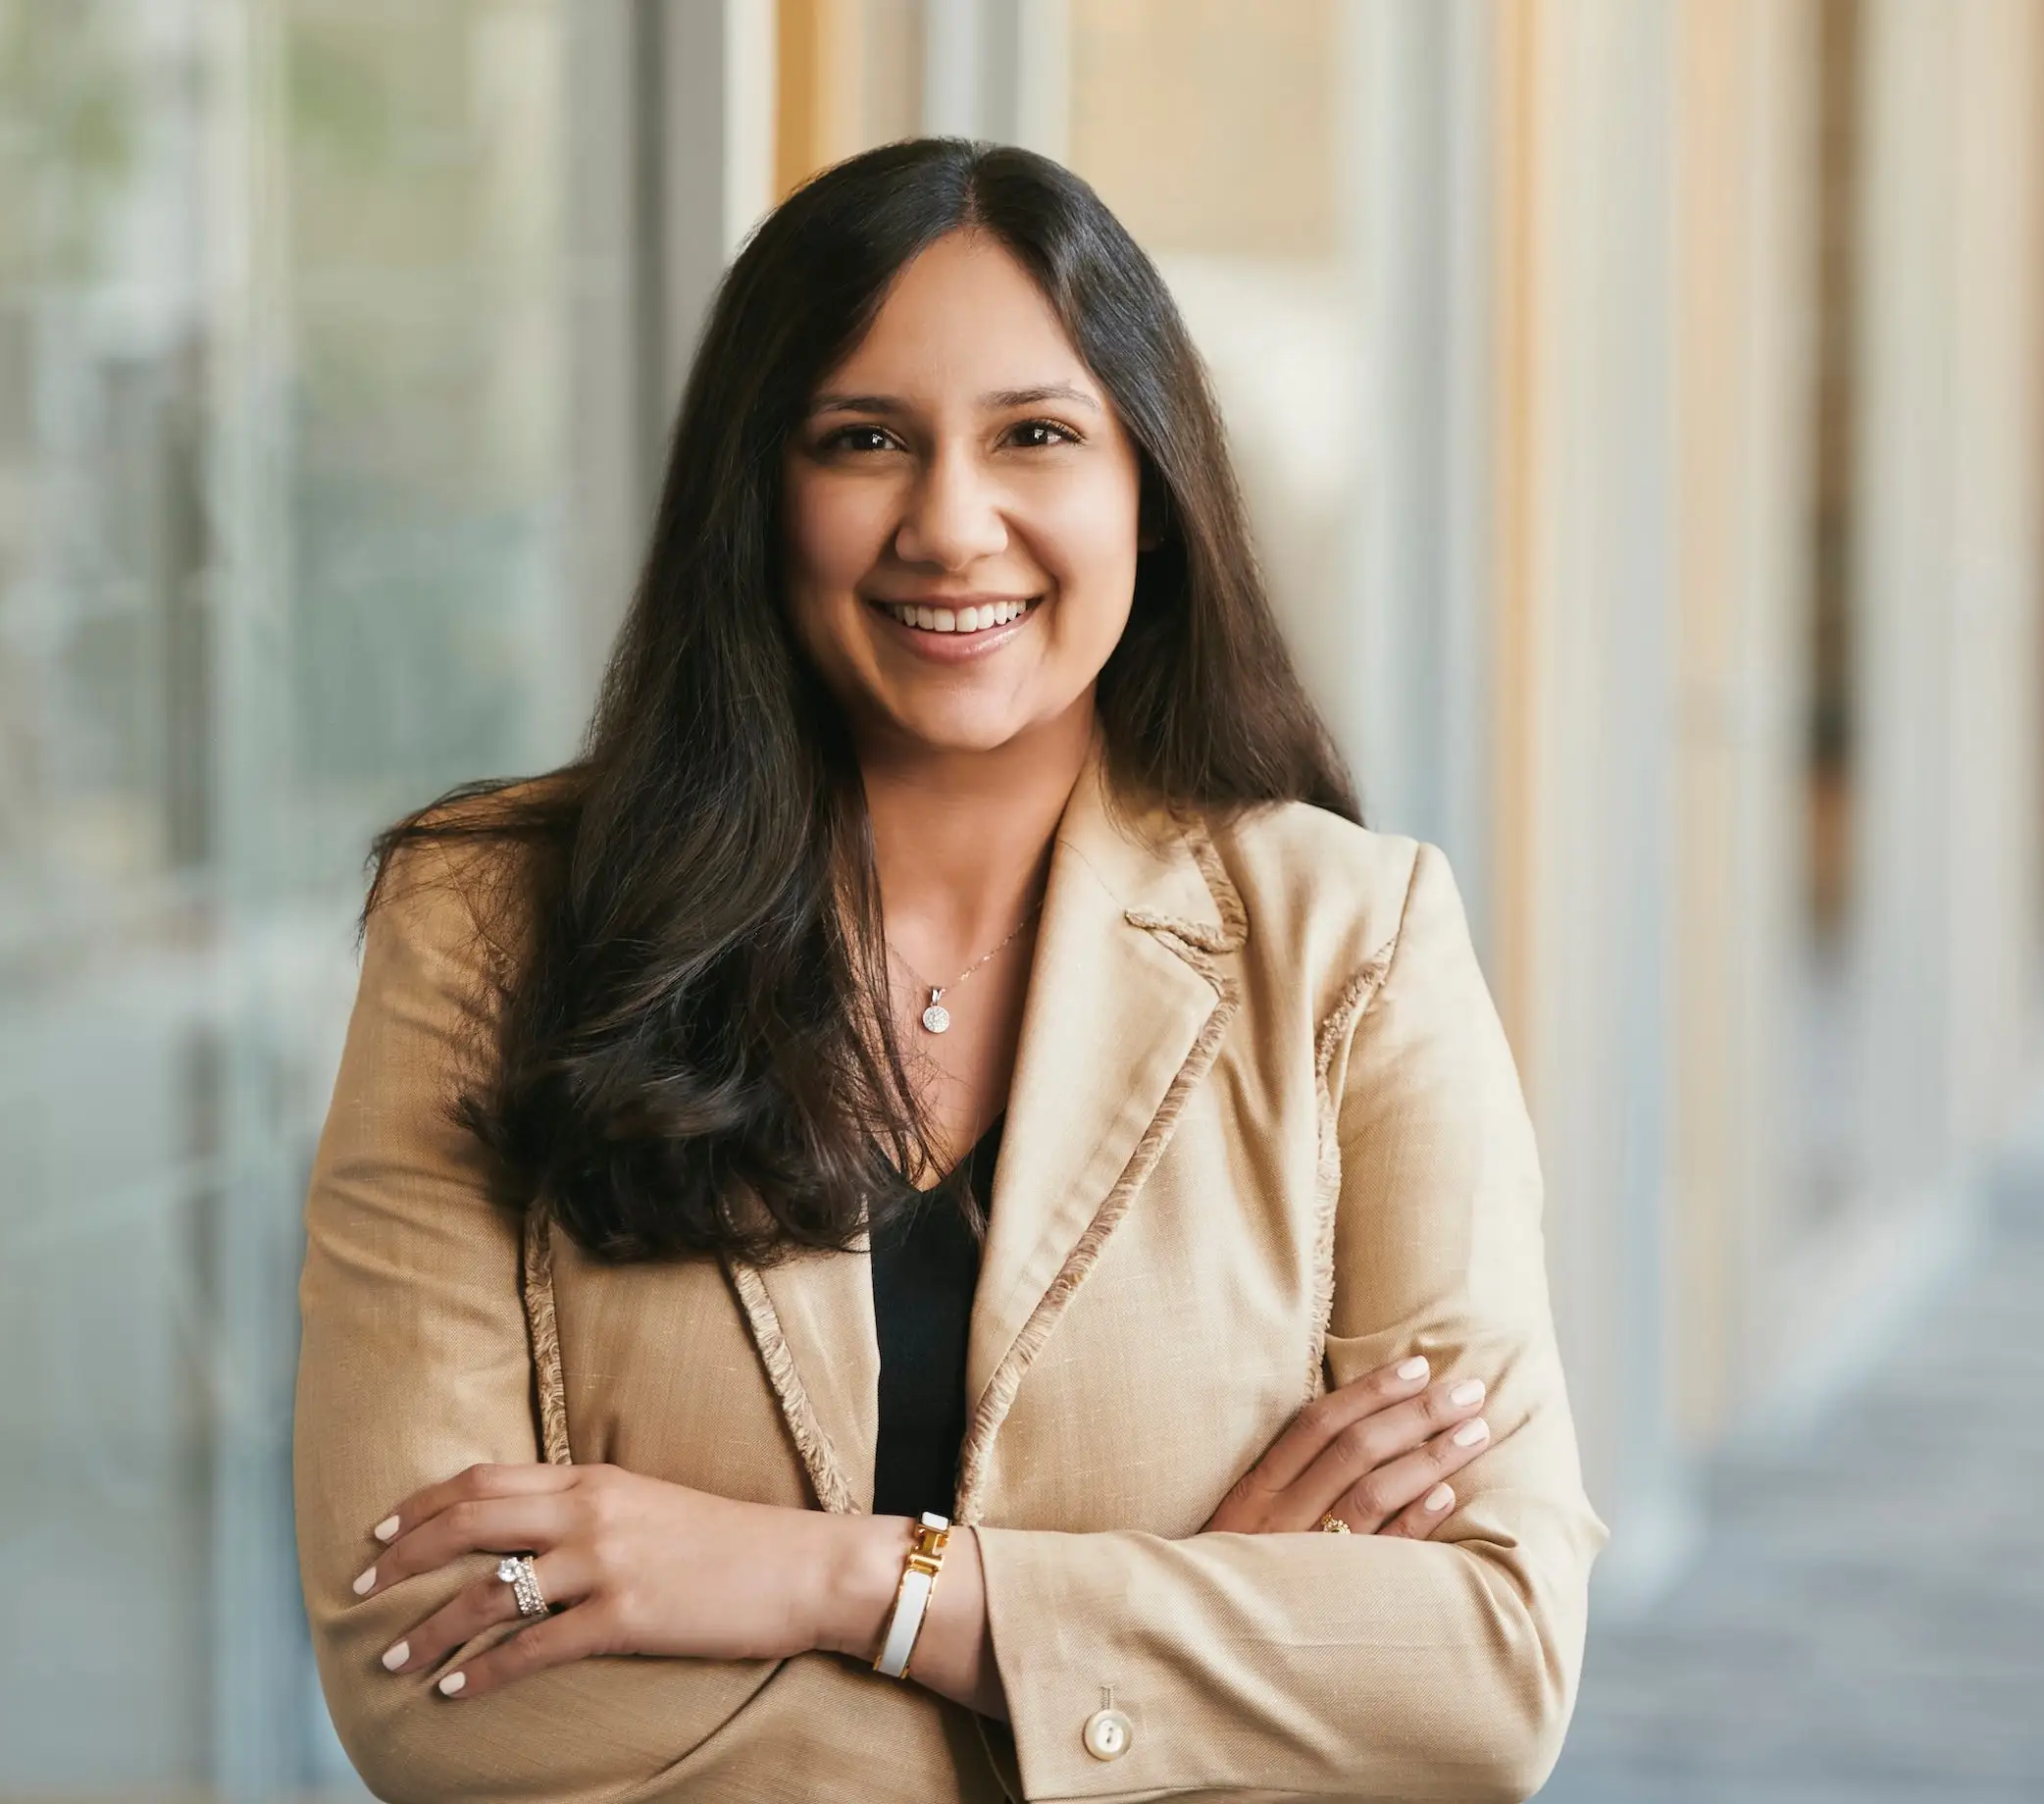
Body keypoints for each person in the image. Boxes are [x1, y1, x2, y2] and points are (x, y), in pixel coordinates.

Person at [292, 137, 1605, 1803]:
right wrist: (1172, 1659)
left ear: (1152, 484)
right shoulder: (489, 922)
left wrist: (833, 1578)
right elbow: (429, 1677)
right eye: (864, 441)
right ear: (757, 493)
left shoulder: (1355, 945)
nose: (952, 523)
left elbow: (1488, 1665)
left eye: (1036, 436)